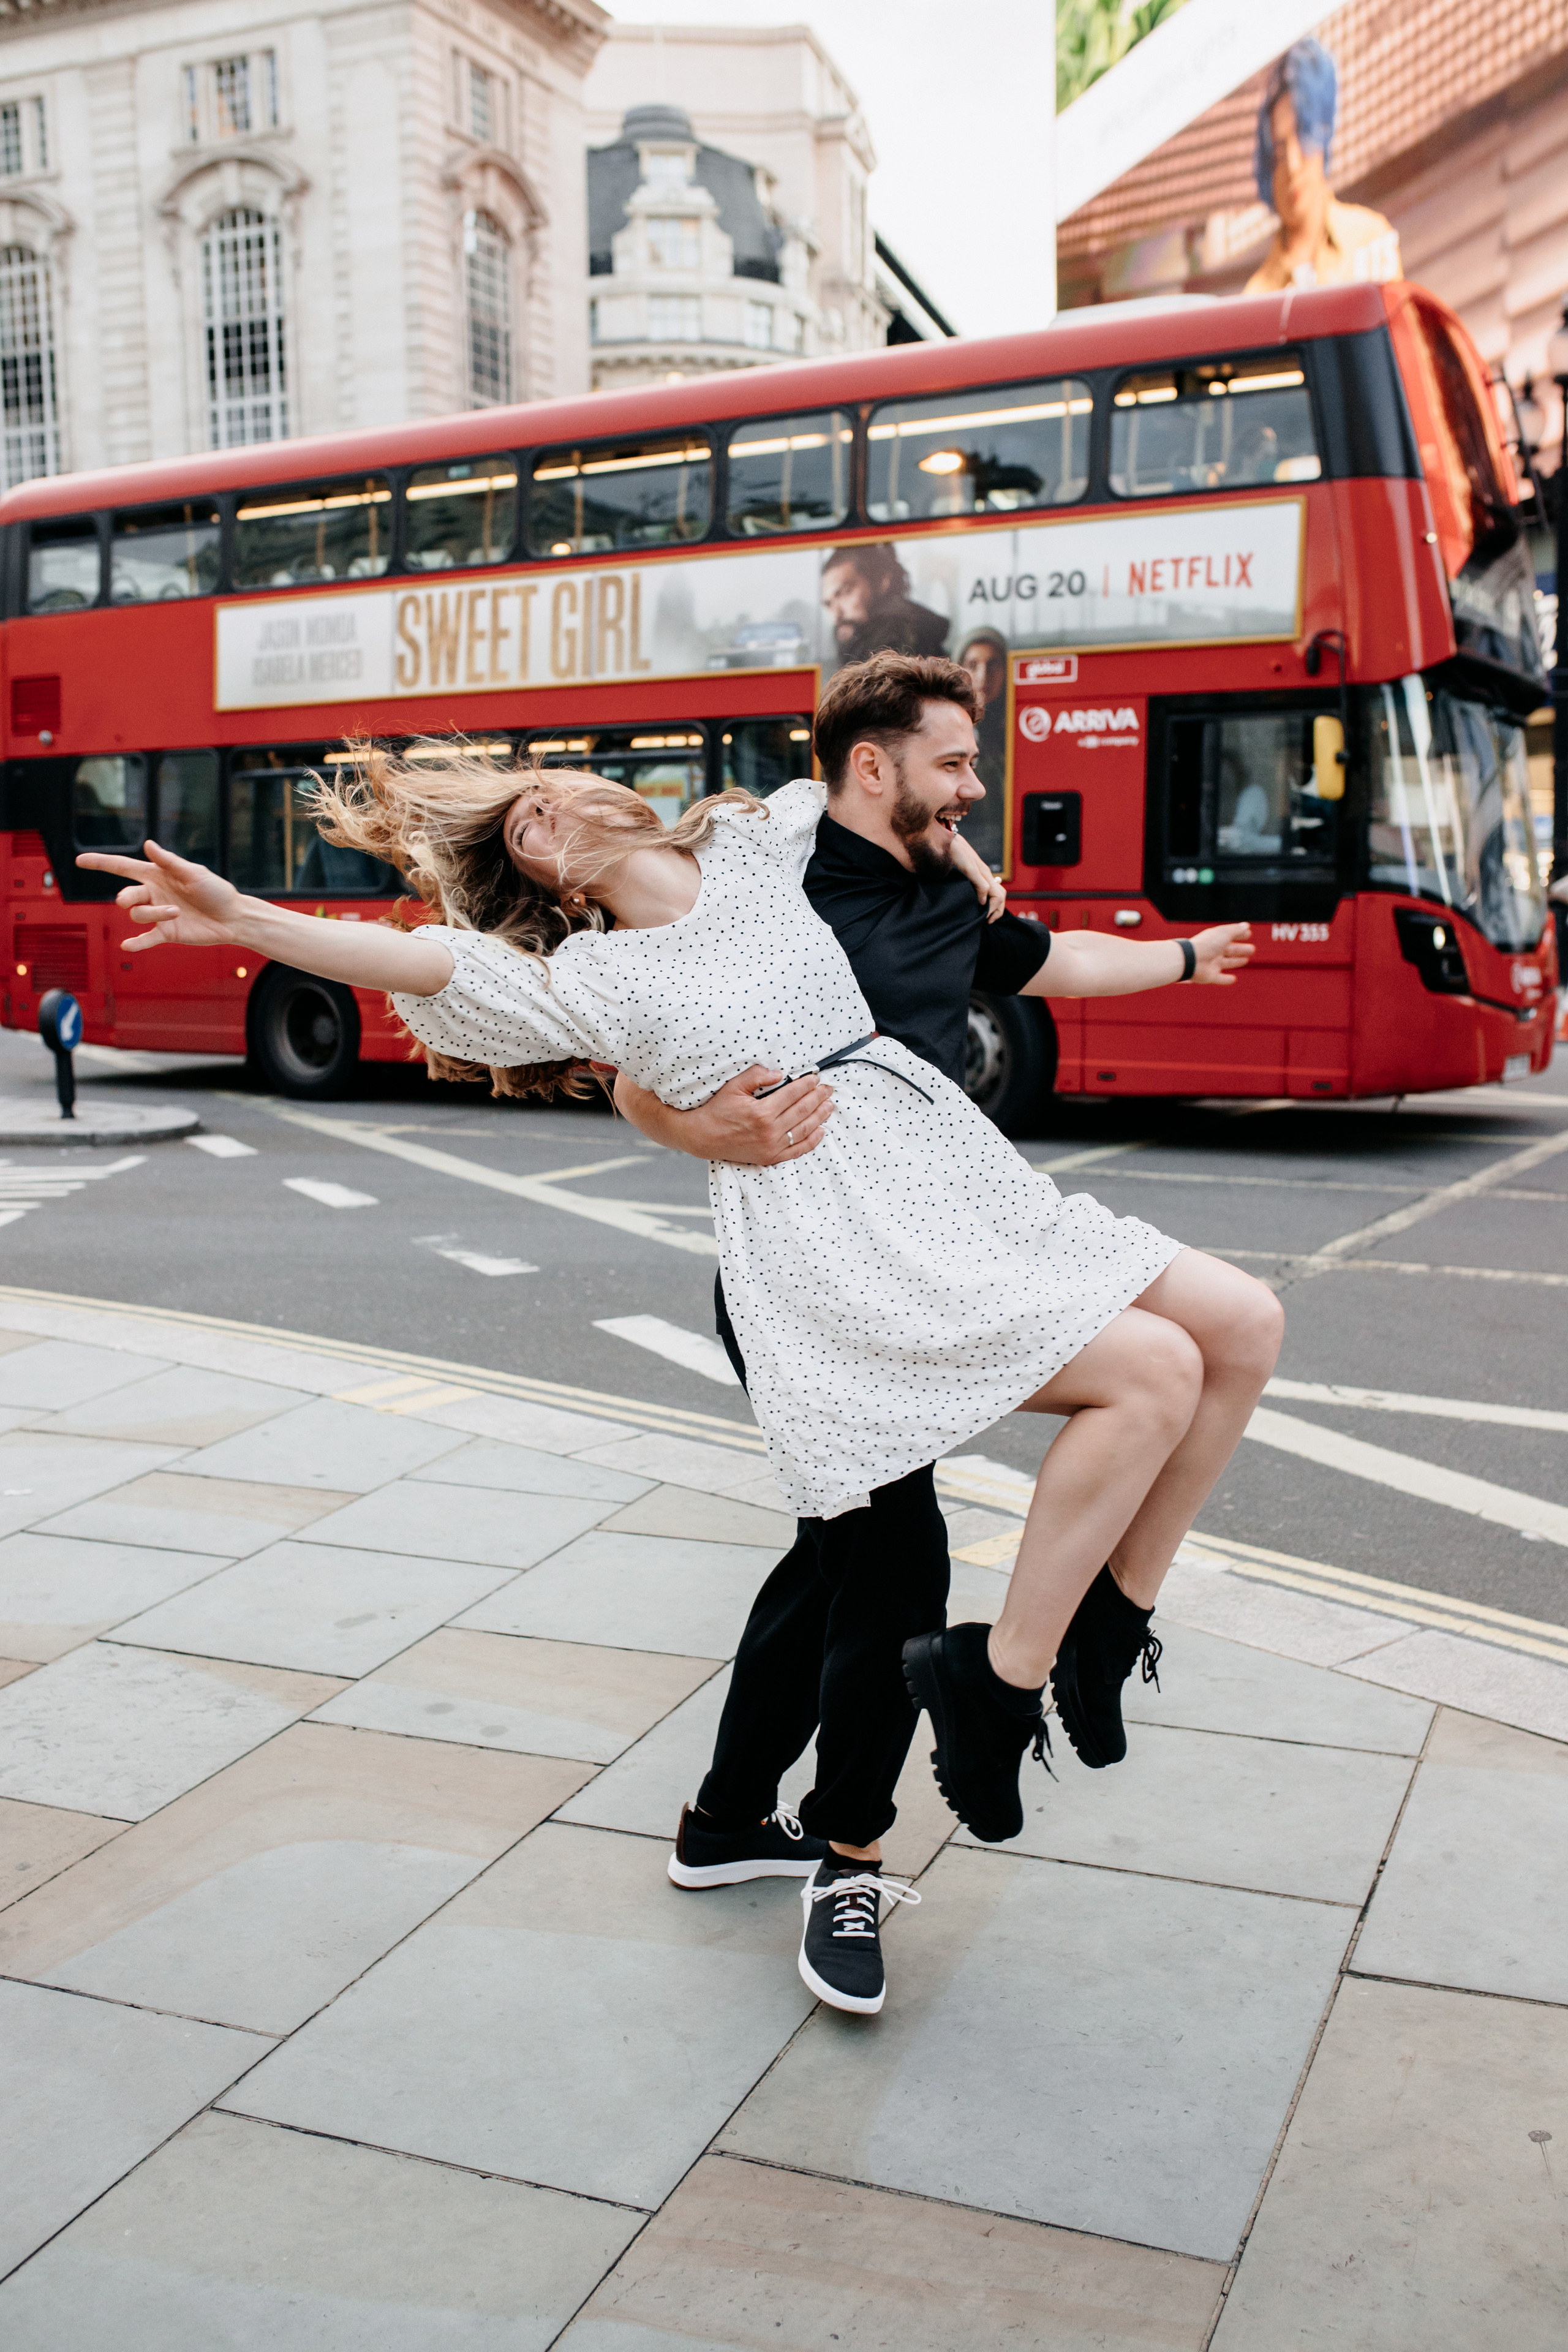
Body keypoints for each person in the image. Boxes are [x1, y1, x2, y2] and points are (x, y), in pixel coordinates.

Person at [81, 674, 1283, 2020]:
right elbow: (418, 962)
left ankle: (789, 1788)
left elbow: (898, 791)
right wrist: (246, 918)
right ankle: (867, 1835)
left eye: (549, 785)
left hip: (939, 1180)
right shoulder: (586, 976)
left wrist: (969, 846)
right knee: (903, 1554)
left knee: (859, 1558)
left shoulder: (759, 842)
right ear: (541, 875)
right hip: (815, 1248)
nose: (542, 807)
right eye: (518, 823)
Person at [612, 651, 1259, 2013]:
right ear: (867, 765)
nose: (978, 786)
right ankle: (849, 1857)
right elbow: (629, 1068)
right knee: (893, 1567)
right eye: (955, 761)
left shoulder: (941, 886)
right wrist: (701, 1126)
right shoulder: (762, 882)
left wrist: (1191, 955)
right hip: (811, 1281)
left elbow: (1058, 960)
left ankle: (730, 1819)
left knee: (836, 1557)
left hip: (942, 1247)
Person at [1244, 39, 1400, 296]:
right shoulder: (1256, 296)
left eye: (1304, 137)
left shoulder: (1368, 238)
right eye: (1280, 153)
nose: (1293, 167)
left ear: (1323, 136)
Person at [821, 543, 948, 668]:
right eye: (829, 604)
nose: (836, 616)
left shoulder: (897, 633)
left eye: (846, 592)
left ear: (882, 582)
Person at [956, 627, 1009, 870]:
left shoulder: (1014, 730)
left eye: (994, 665)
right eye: (973, 664)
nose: (983, 676)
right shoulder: (950, 730)